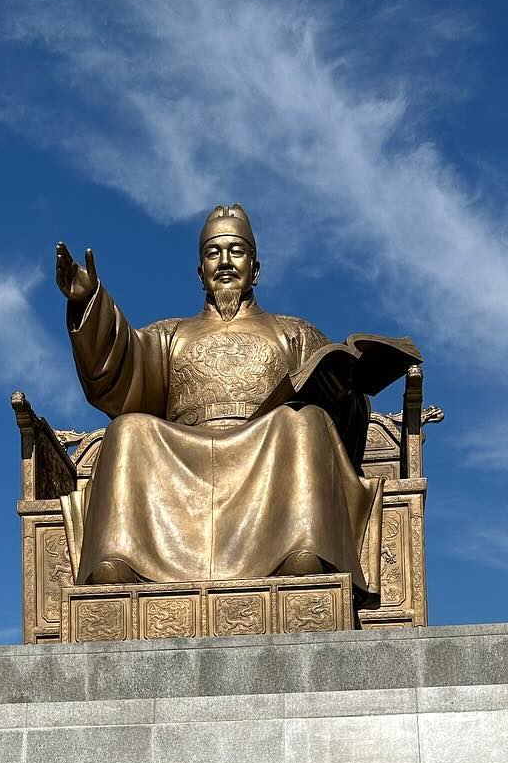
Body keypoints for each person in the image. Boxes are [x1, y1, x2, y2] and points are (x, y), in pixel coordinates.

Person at [54, 204, 409, 590]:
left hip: (269, 448)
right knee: (127, 429)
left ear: (255, 268)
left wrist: (345, 398)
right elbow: (120, 367)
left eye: (236, 251)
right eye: (213, 252)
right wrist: (88, 304)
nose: (224, 262)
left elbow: (345, 425)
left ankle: (303, 551)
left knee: (303, 422)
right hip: (182, 453)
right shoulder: (171, 334)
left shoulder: (295, 332)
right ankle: (120, 559)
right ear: (200, 271)